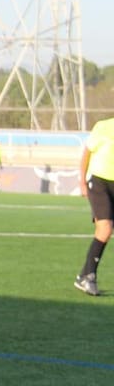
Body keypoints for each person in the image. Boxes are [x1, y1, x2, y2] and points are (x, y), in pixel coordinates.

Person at [74, 117, 114, 296]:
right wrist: (82, 181)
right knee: (105, 228)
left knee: (102, 231)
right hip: (99, 183)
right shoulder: (103, 126)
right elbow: (86, 154)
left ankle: (84, 275)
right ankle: (89, 276)